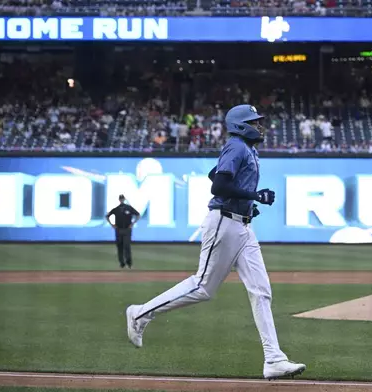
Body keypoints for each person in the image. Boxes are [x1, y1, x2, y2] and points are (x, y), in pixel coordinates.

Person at [124, 104, 306, 380]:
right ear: (241, 125)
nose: (260, 126)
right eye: (255, 122)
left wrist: (247, 202)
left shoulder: (245, 149)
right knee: (202, 287)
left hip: (243, 226)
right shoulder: (237, 146)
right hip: (224, 222)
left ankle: (274, 359)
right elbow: (218, 186)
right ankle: (139, 314)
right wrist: (254, 196)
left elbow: (215, 174)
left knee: (261, 291)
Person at [106, 194, 140, 269]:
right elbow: (107, 216)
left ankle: (129, 263)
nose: (121, 200)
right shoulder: (116, 209)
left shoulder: (129, 208)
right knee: (119, 246)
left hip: (127, 229)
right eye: (120, 199)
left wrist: (133, 223)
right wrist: (112, 225)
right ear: (119, 200)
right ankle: (122, 263)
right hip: (118, 229)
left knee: (127, 246)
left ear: (124, 199)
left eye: (122, 199)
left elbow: (138, 215)